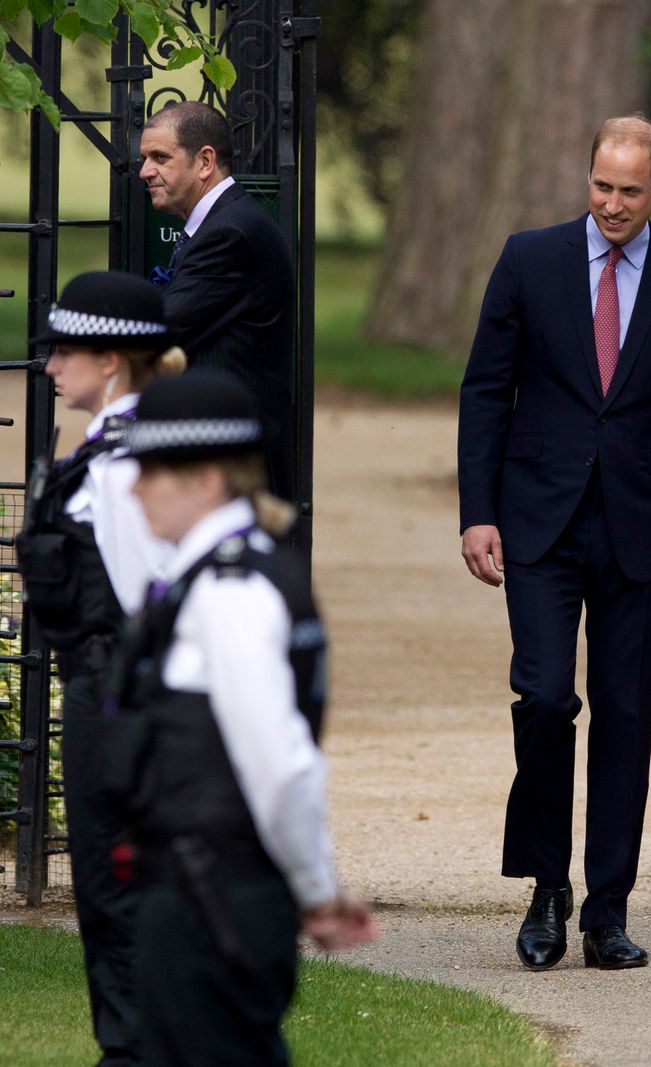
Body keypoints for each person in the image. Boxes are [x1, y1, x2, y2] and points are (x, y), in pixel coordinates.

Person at [458, 114, 651, 971]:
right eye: (601, 185)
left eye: (630, 189)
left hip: (636, 527)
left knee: (627, 717)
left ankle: (607, 909)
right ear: (586, 177)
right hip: (538, 521)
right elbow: (486, 392)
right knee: (547, 698)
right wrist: (479, 511)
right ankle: (546, 884)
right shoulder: (529, 259)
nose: (613, 204)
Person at [100, 369, 376, 1062]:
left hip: (211, 895)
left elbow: (278, 763)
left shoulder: (230, 590)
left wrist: (317, 890)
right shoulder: (219, 574)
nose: (134, 488)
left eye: (152, 470)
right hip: (202, 888)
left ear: (208, 480)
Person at [16, 270, 185, 1064]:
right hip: (121, 695)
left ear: (110, 357)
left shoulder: (123, 465)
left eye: (63, 349)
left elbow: (152, 600)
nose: (50, 366)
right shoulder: (131, 441)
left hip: (118, 696)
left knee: (112, 887)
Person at [141, 100, 298, 505]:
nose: (144, 172)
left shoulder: (229, 232)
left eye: (160, 157)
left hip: (233, 459)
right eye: (145, 158)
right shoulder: (222, 222)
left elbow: (165, 326)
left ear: (205, 161)